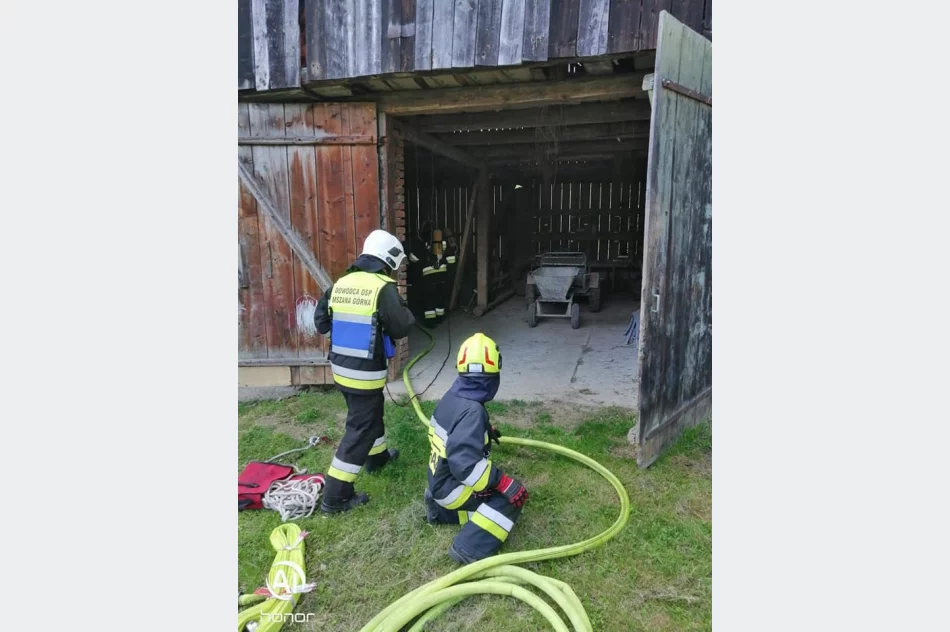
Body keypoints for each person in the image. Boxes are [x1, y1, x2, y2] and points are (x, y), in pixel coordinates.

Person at [314, 229, 416, 514]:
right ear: (389, 259)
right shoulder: (383, 288)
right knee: (360, 428)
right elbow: (401, 327)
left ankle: (378, 458)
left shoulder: (340, 284)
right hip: (365, 374)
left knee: (370, 414)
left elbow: (321, 322)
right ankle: (336, 496)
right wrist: (403, 310)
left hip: (341, 369)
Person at [423, 333, 529, 564]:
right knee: (509, 499)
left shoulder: (453, 396)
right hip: (452, 486)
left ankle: (440, 511)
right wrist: (502, 483)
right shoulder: (472, 412)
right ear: (493, 375)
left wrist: (483, 431)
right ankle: (469, 548)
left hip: (438, 482)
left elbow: (452, 431)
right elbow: (465, 465)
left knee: (488, 490)